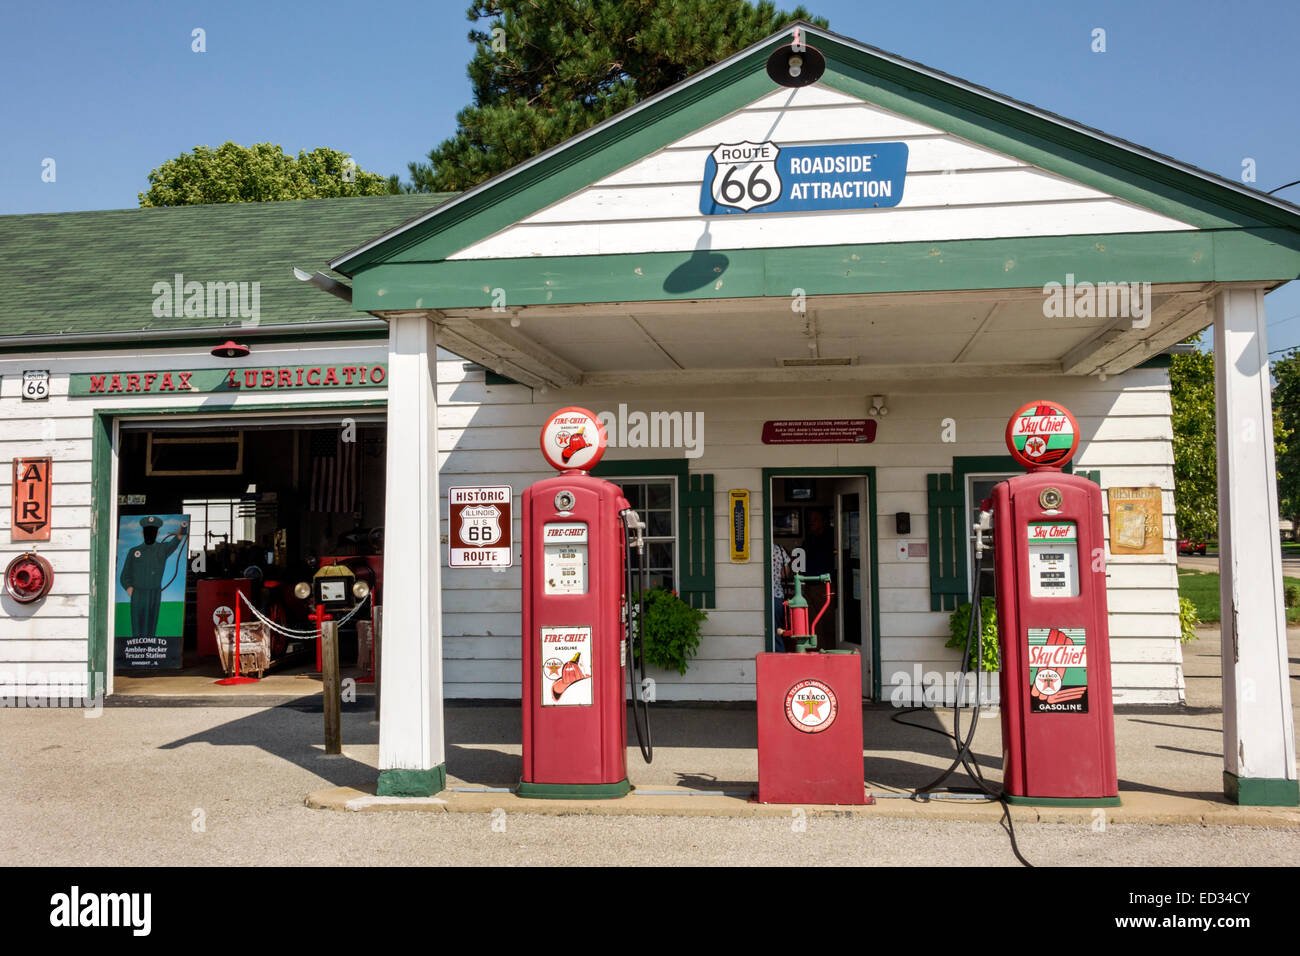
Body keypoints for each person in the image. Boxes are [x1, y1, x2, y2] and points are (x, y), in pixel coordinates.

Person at [120, 515, 188, 641]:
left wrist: (182, 527)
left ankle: (150, 652)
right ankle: (136, 653)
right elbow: (124, 575)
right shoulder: (133, 551)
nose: (150, 534)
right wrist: (129, 588)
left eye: (153, 531)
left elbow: (176, 540)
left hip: (154, 593)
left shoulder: (162, 549)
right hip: (138, 593)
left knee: (151, 627)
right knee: (137, 626)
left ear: (157, 533)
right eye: (147, 531)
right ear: (142, 533)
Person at [801, 509, 835, 648]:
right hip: (809, 585)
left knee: (828, 622)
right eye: (810, 519)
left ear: (823, 521)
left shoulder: (831, 537)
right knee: (813, 623)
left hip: (825, 586)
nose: (811, 522)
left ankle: (831, 651)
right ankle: (819, 650)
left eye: (815, 519)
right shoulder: (809, 539)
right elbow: (801, 556)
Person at [771, 542, 792, 652]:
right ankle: (780, 652)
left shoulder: (758, 548)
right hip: (777, 594)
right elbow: (785, 573)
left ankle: (777, 653)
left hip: (764, 596)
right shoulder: (779, 549)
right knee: (777, 629)